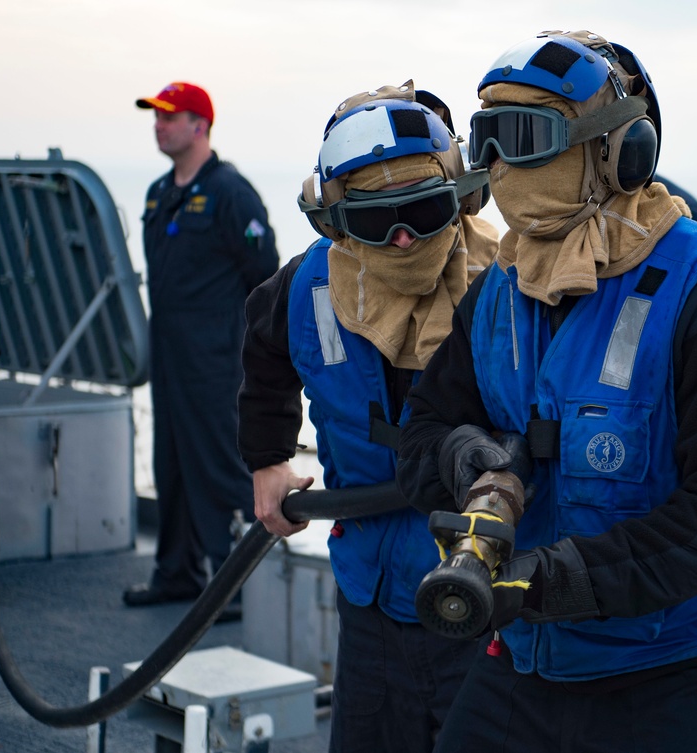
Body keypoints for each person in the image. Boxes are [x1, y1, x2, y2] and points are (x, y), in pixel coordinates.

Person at [396, 31, 697, 752]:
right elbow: (422, 428)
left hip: (669, 677)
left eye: (527, 137)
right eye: (488, 141)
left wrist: (564, 580)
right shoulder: (497, 292)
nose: (503, 166)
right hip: (524, 662)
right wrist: (463, 460)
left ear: (620, 150)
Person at [237, 81, 499, 752]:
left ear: (462, 194)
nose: (405, 238)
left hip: (486, 597)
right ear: (334, 220)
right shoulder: (306, 286)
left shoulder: (508, 280)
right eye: (379, 221)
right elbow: (265, 353)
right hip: (370, 592)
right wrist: (268, 459)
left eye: (421, 209)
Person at [123, 82, 280, 608]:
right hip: (168, 354)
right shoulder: (157, 193)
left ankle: (233, 584)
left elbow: (264, 272)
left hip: (214, 357)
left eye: (171, 116)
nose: (159, 124)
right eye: (156, 116)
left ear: (200, 126)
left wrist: (249, 347)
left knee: (218, 464)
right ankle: (177, 572)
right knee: (170, 462)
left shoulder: (230, 193)